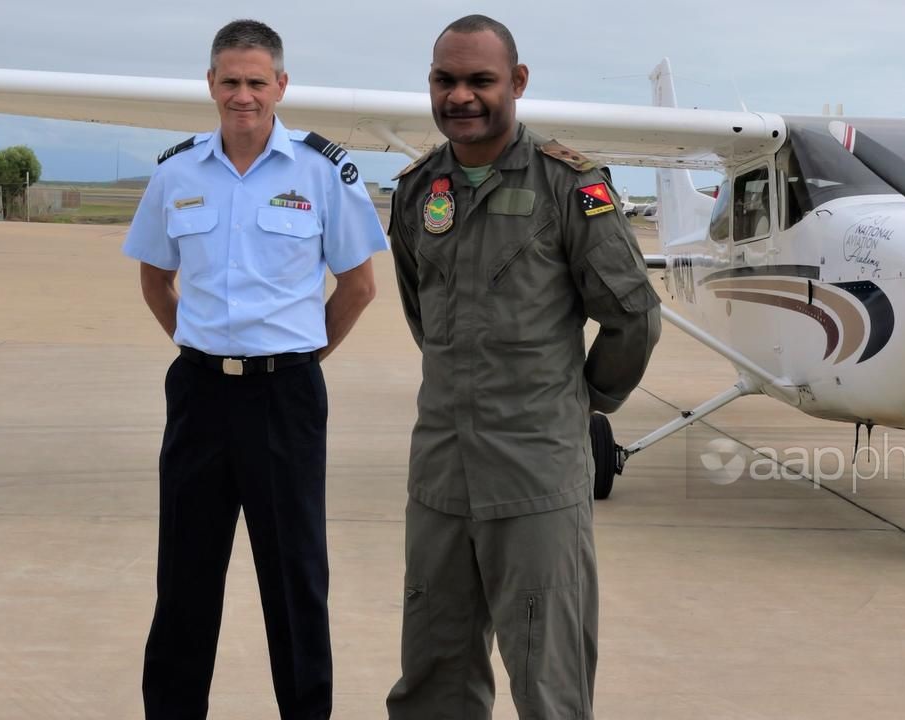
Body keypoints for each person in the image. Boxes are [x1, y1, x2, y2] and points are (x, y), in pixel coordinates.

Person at [385, 15, 661, 719]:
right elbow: (424, 316)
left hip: (535, 474)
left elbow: (633, 317)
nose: (461, 96)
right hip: (442, 474)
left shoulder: (569, 186)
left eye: (480, 80)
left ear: (518, 81)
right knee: (433, 675)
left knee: (548, 682)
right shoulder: (418, 190)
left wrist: (581, 399)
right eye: (445, 80)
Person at [122, 19, 387, 720]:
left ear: (281, 85)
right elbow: (155, 280)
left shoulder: (322, 172)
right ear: (211, 84)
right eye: (231, 81)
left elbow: (359, 286)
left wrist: (297, 357)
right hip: (200, 394)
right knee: (185, 576)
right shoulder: (177, 173)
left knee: (295, 578)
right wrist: (203, 348)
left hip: (285, 395)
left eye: (257, 82)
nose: (244, 95)